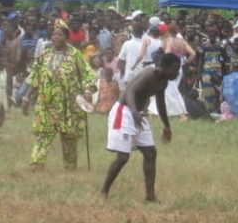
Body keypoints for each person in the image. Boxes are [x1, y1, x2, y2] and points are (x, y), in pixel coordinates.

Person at [100, 53, 179, 202]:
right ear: (165, 66)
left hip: (138, 113)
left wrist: (166, 126)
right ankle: (104, 191)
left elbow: (161, 104)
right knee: (123, 157)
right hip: (124, 112)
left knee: (150, 153)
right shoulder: (149, 74)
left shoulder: (163, 82)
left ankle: (150, 197)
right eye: (174, 70)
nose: (176, 73)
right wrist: (134, 111)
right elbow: (130, 91)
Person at [22, 26, 96, 171]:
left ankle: (70, 167)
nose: (55, 37)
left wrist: (87, 90)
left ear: (66, 38)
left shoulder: (74, 54)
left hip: (69, 103)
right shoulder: (45, 54)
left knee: (69, 136)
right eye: (54, 35)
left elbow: (88, 73)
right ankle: (36, 163)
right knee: (44, 134)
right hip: (47, 104)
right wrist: (26, 98)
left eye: (59, 35)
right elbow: (35, 77)